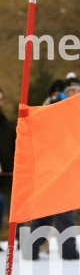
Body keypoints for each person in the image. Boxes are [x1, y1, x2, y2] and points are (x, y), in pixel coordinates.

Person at [27, 75, 80, 259]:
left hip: (63, 168)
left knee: (46, 212)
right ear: (64, 94)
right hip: (56, 168)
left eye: (78, 91)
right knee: (64, 212)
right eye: (71, 91)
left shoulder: (78, 112)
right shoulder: (56, 108)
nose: (75, 94)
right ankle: (69, 252)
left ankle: (31, 249)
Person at [0, 87, 16, 246]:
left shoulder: (9, 127)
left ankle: (21, 243)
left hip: (9, 179)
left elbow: (17, 151)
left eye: (0, 99)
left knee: (15, 215)